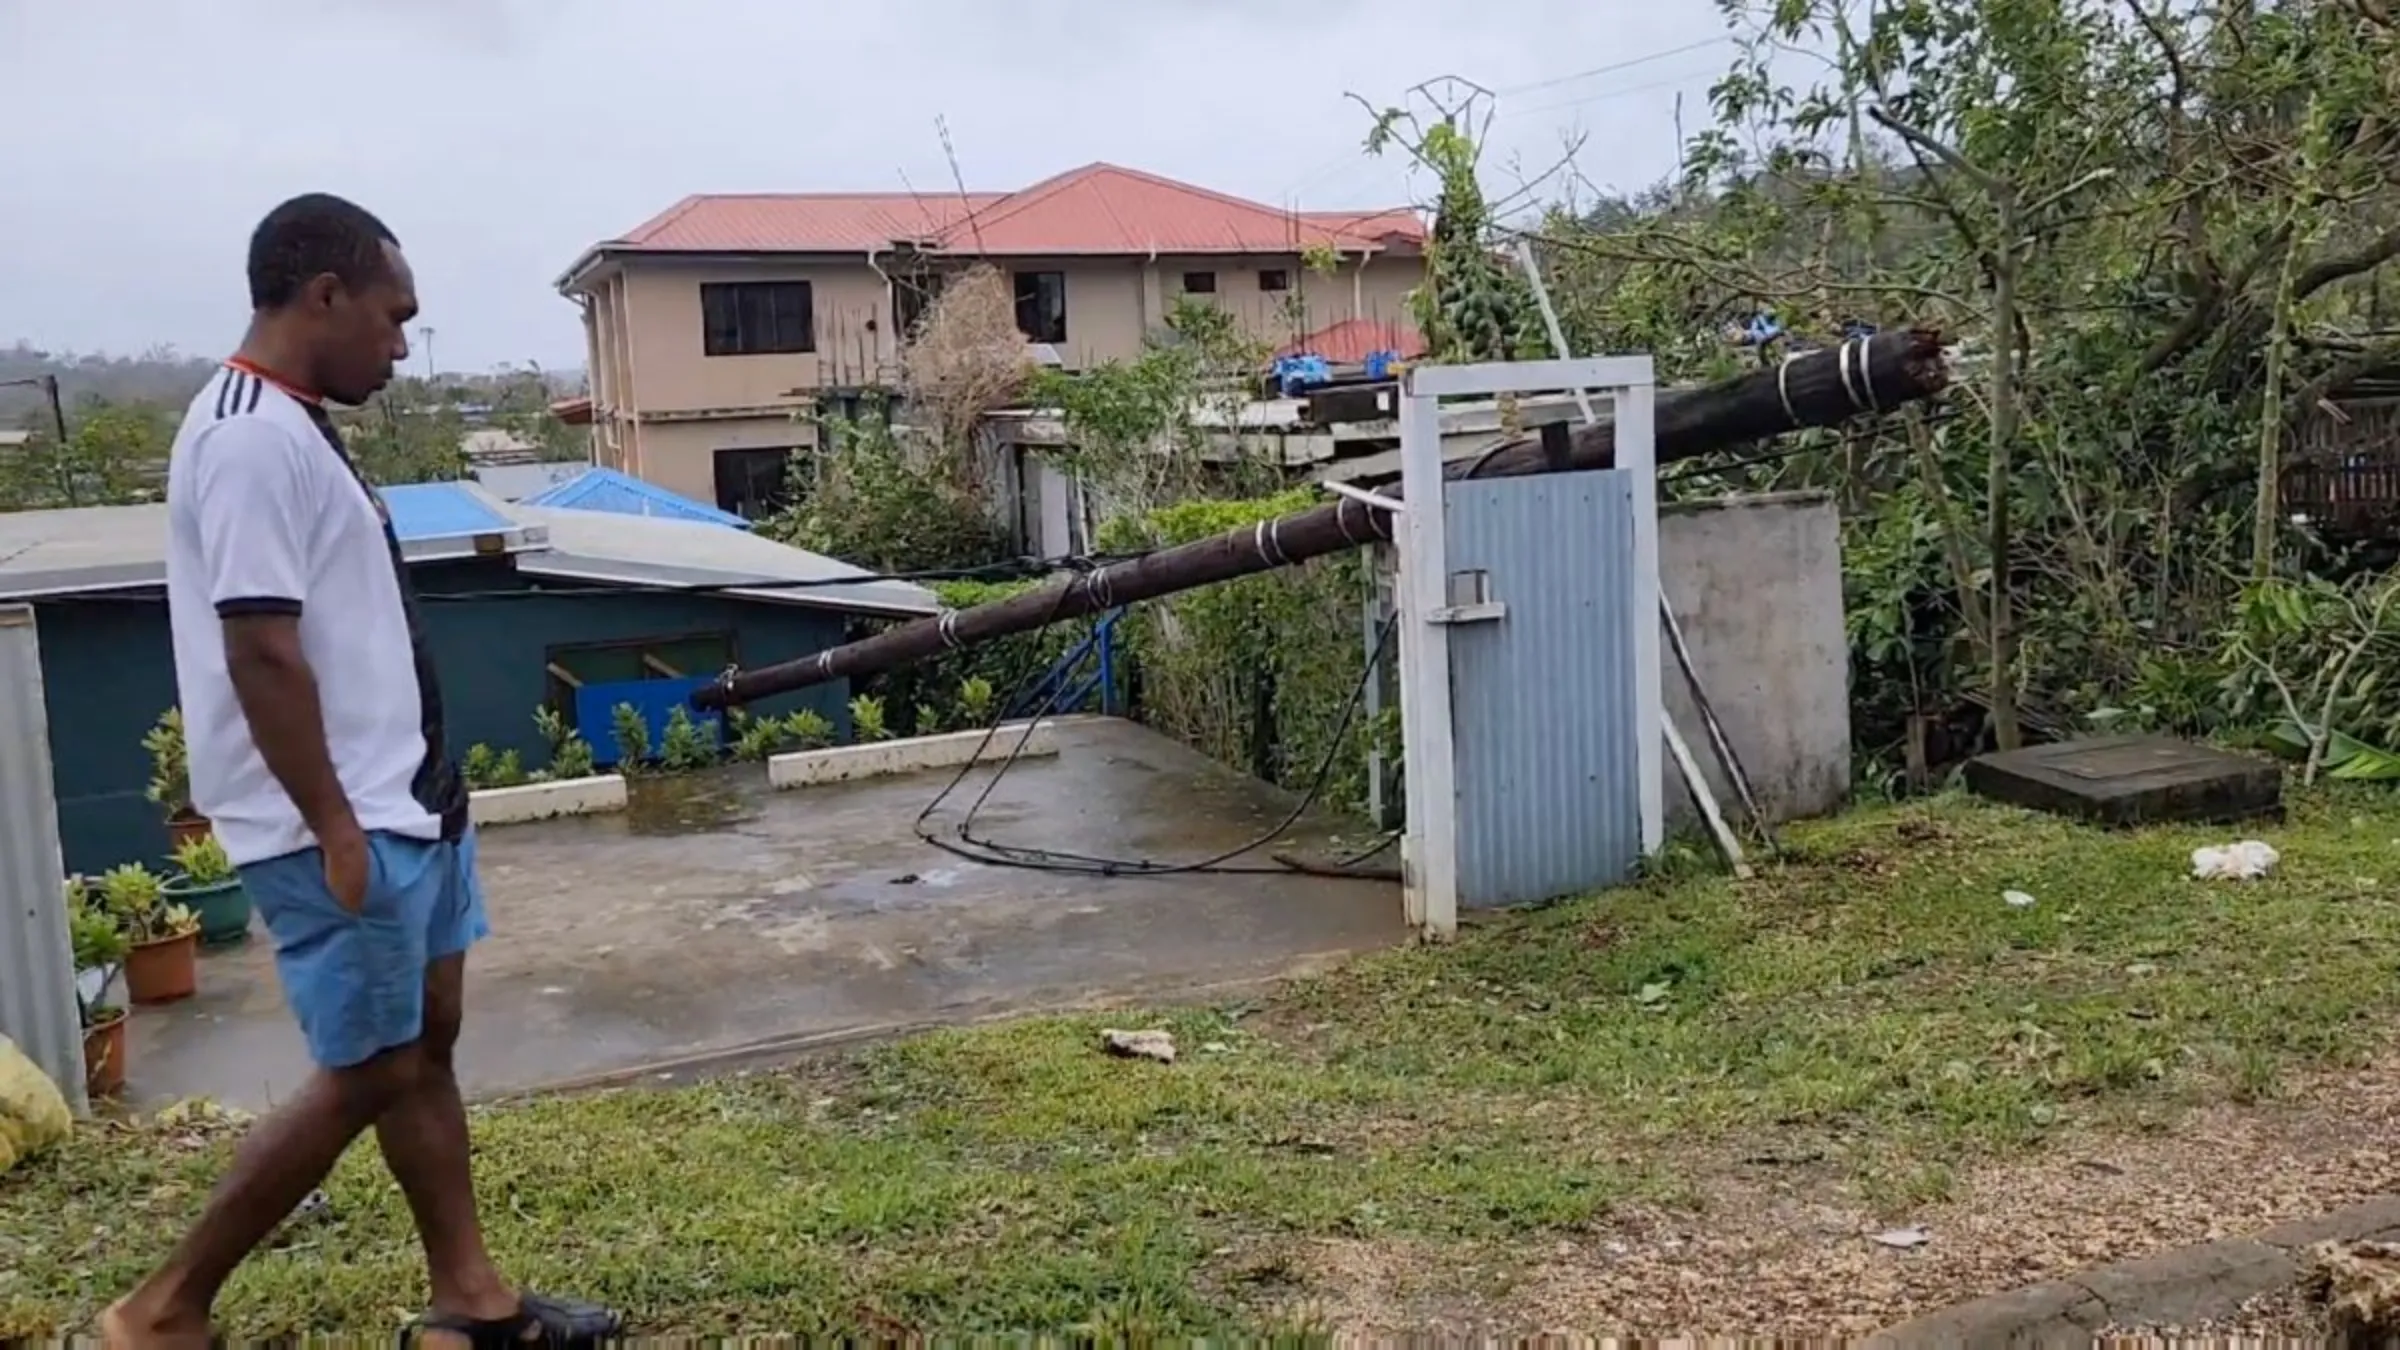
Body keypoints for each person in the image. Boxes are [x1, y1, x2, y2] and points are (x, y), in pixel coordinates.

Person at [104, 194, 622, 1349]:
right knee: (372, 1065)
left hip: (409, 803)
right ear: (322, 294)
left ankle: (470, 1306)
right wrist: (335, 824)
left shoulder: (295, 423)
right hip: (336, 822)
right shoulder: (243, 434)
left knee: (420, 1047)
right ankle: (162, 1308)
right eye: (394, 319)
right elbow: (259, 644)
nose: (401, 346)